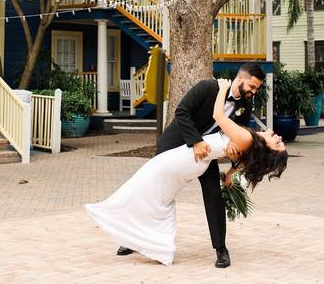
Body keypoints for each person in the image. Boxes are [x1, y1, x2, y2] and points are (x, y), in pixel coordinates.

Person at [86, 66, 287, 267]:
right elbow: (182, 112)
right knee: (151, 191)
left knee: (213, 195)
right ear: (240, 78)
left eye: (257, 88)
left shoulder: (245, 105)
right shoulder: (208, 87)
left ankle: (221, 249)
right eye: (252, 86)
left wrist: (234, 155)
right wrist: (196, 141)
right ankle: (131, 240)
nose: (254, 91)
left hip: (207, 155)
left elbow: (239, 134)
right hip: (178, 143)